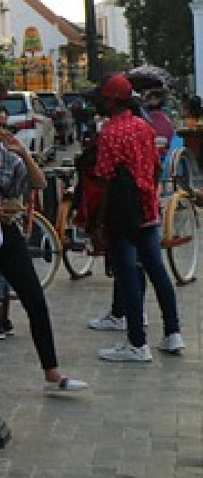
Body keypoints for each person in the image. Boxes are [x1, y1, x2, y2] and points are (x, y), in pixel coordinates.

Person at [0, 101, 88, 393]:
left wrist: (24, 153)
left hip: (7, 234)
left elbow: (39, 182)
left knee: (35, 300)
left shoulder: (7, 157)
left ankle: (52, 373)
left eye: (4, 125)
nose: (0, 131)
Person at [90, 72, 185, 362]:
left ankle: (137, 343)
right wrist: (149, 192)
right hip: (147, 208)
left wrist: (99, 221)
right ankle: (173, 332)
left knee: (128, 274)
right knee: (158, 270)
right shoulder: (144, 128)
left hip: (123, 213)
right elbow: (157, 166)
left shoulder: (109, 133)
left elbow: (104, 180)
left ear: (111, 101)